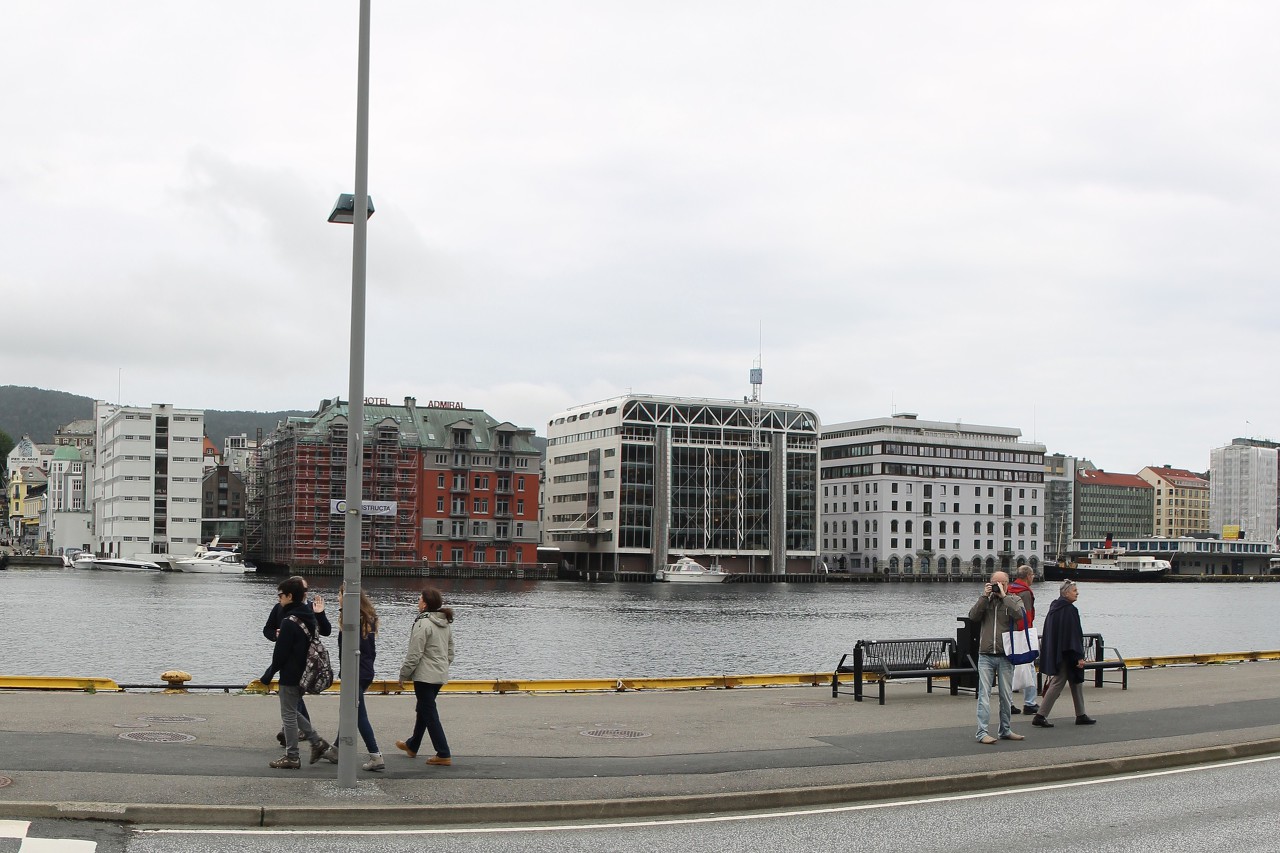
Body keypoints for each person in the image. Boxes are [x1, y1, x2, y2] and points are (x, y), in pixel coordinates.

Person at [261, 577, 333, 769]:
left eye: (281, 595)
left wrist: (268, 675)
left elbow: (280, 654)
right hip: (304, 671)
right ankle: (318, 743)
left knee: (288, 715)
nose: (279, 599)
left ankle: (292, 756)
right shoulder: (308, 615)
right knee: (292, 710)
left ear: (290, 596)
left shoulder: (289, 621)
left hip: (290, 673)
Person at [320, 584, 384, 771]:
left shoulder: (351, 620)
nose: (338, 598)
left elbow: (348, 650)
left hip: (354, 672)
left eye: (339, 595)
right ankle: (337, 749)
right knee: (349, 710)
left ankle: (376, 755)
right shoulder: (366, 618)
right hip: (364, 671)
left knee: (357, 714)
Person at [396, 587, 455, 766]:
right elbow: (450, 651)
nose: (418, 602)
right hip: (438, 674)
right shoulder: (445, 623)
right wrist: (442, 666)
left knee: (429, 713)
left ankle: (443, 753)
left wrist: (403, 675)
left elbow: (415, 653)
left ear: (425, 604)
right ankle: (412, 745)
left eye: (419, 599)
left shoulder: (423, 623)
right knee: (423, 709)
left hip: (424, 675)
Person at [967, 570, 1027, 745]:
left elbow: (1020, 614)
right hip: (985, 654)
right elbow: (973, 616)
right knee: (984, 695)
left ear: (1008, 584)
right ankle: (982, 732)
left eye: (1002, 583)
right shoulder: (986, 601)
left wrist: (1004, 596)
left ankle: (1005, 729)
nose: (998, 586)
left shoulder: (1014, 599)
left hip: (1006, 655)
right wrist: (984, 597)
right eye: (996, 583)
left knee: (1006, 695)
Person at [1033, 580, 1097, 728]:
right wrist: (1079, 656)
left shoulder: (1054, 609)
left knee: (1075, 682)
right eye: (1075, 590)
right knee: (1059, 682)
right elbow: (1073, 634)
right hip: (1067, 653)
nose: (1077, 593)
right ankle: (1040, 715)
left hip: (1058, 651)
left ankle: (1081, 714)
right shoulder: (1069, 610)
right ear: (1066, 592)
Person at [1006, 564, 1040, 716]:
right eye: (1032, 576)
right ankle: (1030, 703)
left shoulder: (1009, 589)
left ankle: (1009, 702)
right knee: (1029, 668)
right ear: (1028, 576)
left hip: (1009, 632)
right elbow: (1026, 615)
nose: (1033, 578)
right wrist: (1026, 632)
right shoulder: (1025, 593)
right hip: (1023, 633)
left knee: (1010, 668)